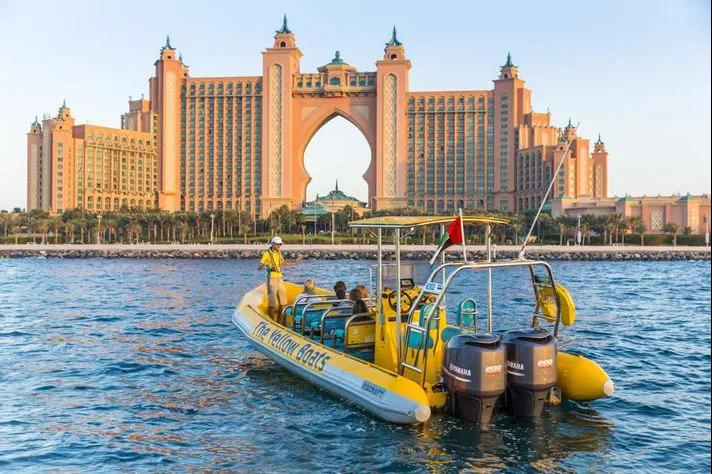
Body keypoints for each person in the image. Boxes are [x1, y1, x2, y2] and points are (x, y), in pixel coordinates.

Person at [257, 236, 302, 323]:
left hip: (280, 278)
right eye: (277, 244)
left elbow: (283, 263)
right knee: (272, 303)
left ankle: (280, 322)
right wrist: (266, 264)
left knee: (283, 302)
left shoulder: (279, 253)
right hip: (271, 279)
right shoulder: (266, 254)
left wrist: (294, 261)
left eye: (280, 244)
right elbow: (259, 267)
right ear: (272, 244)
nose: (279, 246)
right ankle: (271, 322)